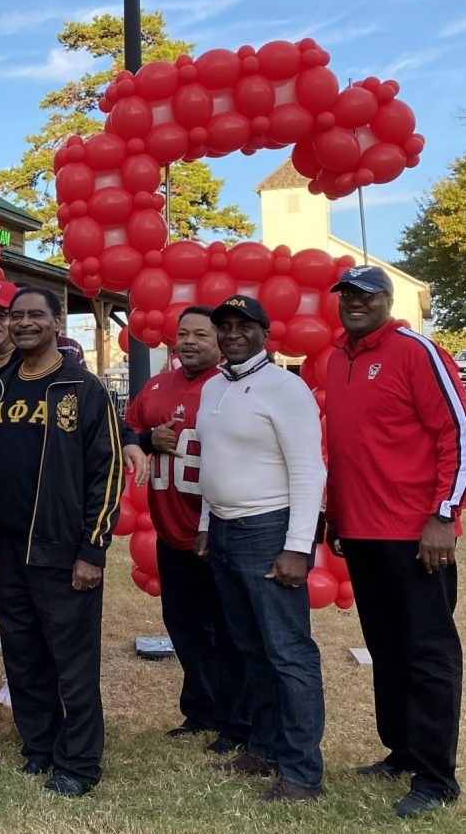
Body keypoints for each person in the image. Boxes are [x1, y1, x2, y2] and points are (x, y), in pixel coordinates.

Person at [322, 266, 466, 818]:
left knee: (428, 653)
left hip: (416, 536)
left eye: (365, 295)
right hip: (362, 533)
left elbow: (458, 433)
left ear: (388, 300)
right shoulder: (335, 357)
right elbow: (343, 447)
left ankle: (438, 777)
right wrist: (336, 515)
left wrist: (443, 515)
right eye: (345, 296)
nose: (353, 304)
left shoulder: (416, 350)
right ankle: (402, 751)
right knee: (385, 647)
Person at [0, 286, 121, 797]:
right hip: (11, 549)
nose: (23, 323)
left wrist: (92, 550)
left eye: (35, 315)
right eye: (16, 316)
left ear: (57, 322)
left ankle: (79, 764)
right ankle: (39, 747)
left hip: (63, 549)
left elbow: (107, 474)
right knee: (23, 653)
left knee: (72, 662)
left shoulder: (83, 389)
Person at [193, 294, 326, 803]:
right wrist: (207, 522)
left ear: (263, 333)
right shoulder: (212, 388)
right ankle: (264, 746)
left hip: (268, 530)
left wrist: (297, 547)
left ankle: (302, 772)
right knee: (251, 649)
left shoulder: (286, 387)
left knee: (288, 653)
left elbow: (310, 470)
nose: (231, 334)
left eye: (242, 326)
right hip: (225, 530)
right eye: (223, 326)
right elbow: (213, 460)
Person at [120, 307, 248, 755]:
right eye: (183, 334)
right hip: (171, 529)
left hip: (218, 530)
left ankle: (237, 720)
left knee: (228, 631)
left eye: (201, 333)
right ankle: (200, 711)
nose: (189, 341)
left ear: (220, 340)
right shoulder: (157, 385)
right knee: (184, 626)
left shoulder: (231, 386)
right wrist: (144, 441)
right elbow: (128, 426)